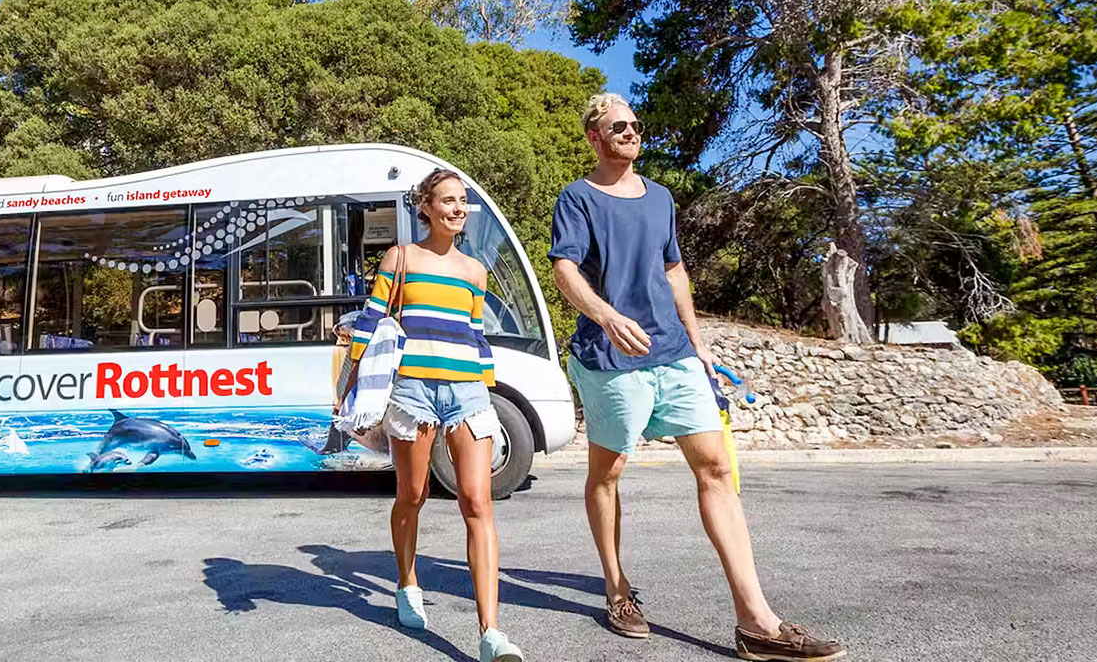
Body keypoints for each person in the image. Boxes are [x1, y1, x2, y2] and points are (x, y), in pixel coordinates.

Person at [549, 93, 845, 662]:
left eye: (636, 124)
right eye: (618, 126)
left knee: (716, 468)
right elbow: (565, 268)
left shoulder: (660, 197)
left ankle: (756, 620)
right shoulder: (578, 197)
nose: (631, 132)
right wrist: (606, 316)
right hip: (611, 356)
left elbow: (674, 269)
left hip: (674, 351)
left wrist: (699, 343)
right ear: (594, 136)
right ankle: (617, 589)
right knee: (608, 474)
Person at [347, 168, 524, 662]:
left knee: (477, 502)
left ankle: (491, 634)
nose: (458, 208)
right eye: (447, 200)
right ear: (425, 207)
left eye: (462, 200)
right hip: (414, 391)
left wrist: (486, 388)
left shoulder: (475, 271)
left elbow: (476, 334)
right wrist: (354, 386)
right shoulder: (401, 257)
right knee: (413, 494)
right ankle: (407, 582)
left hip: (468, 392)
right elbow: (372, 320)